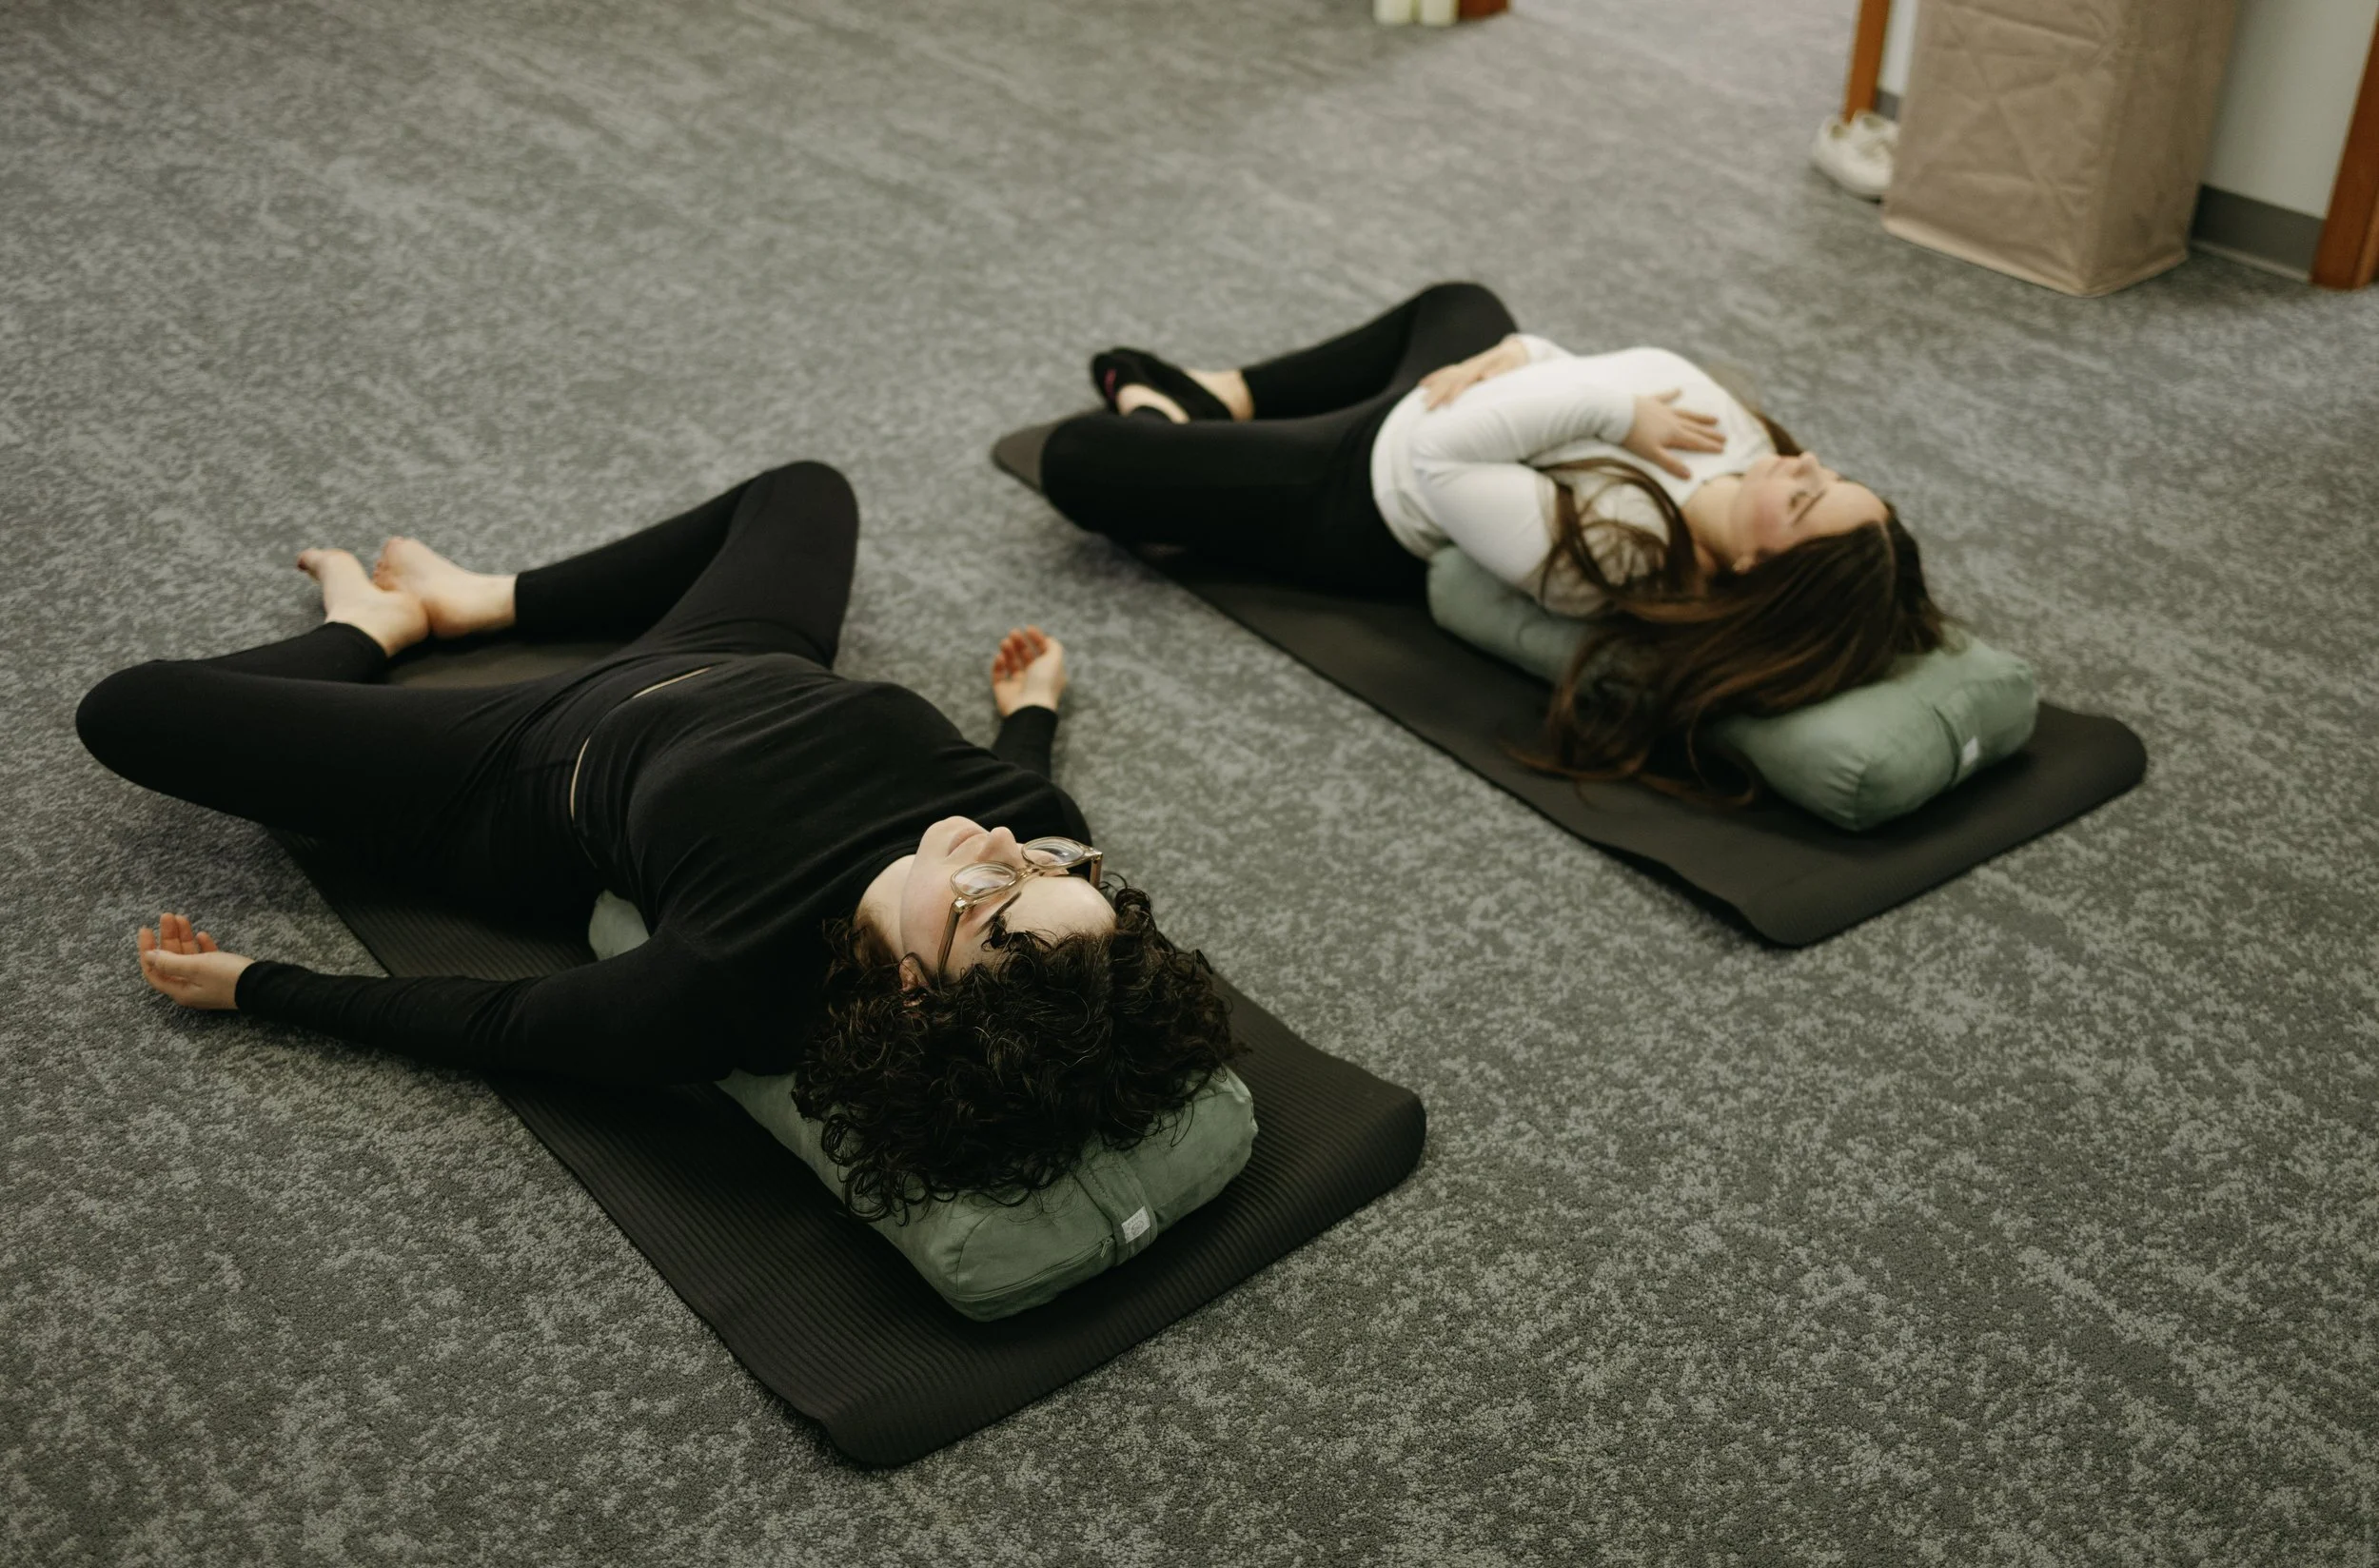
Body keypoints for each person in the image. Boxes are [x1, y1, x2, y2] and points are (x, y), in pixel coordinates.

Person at [76, 461, 1239, 1218]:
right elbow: (1022, 805)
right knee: (805, 489)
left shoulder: (731, 981)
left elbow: (500, 1023)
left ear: (916, 994)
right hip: (743, 650)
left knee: (130, 709)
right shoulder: (1037, 831)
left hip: (509, 758)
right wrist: (1029, 712)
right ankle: (487, 601)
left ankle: (372, 627)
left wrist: (257, 985)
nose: (1001, 835)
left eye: (994, 888)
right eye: (1051, 867)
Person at [1029, 283, 1946, 796]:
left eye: (1805, 501)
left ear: (1754, 571)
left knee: (1074, 457)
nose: (1803, 464)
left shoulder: (1624, 554)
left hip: (1357, 491)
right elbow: (1562, 375)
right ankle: (1216, 398)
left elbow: (1439, 460)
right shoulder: (1743, 450)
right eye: (1826, 475)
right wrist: (1527, 360)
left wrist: (1601, 404)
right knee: (1464, 303)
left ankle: (1184, 415)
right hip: (1454, 397)